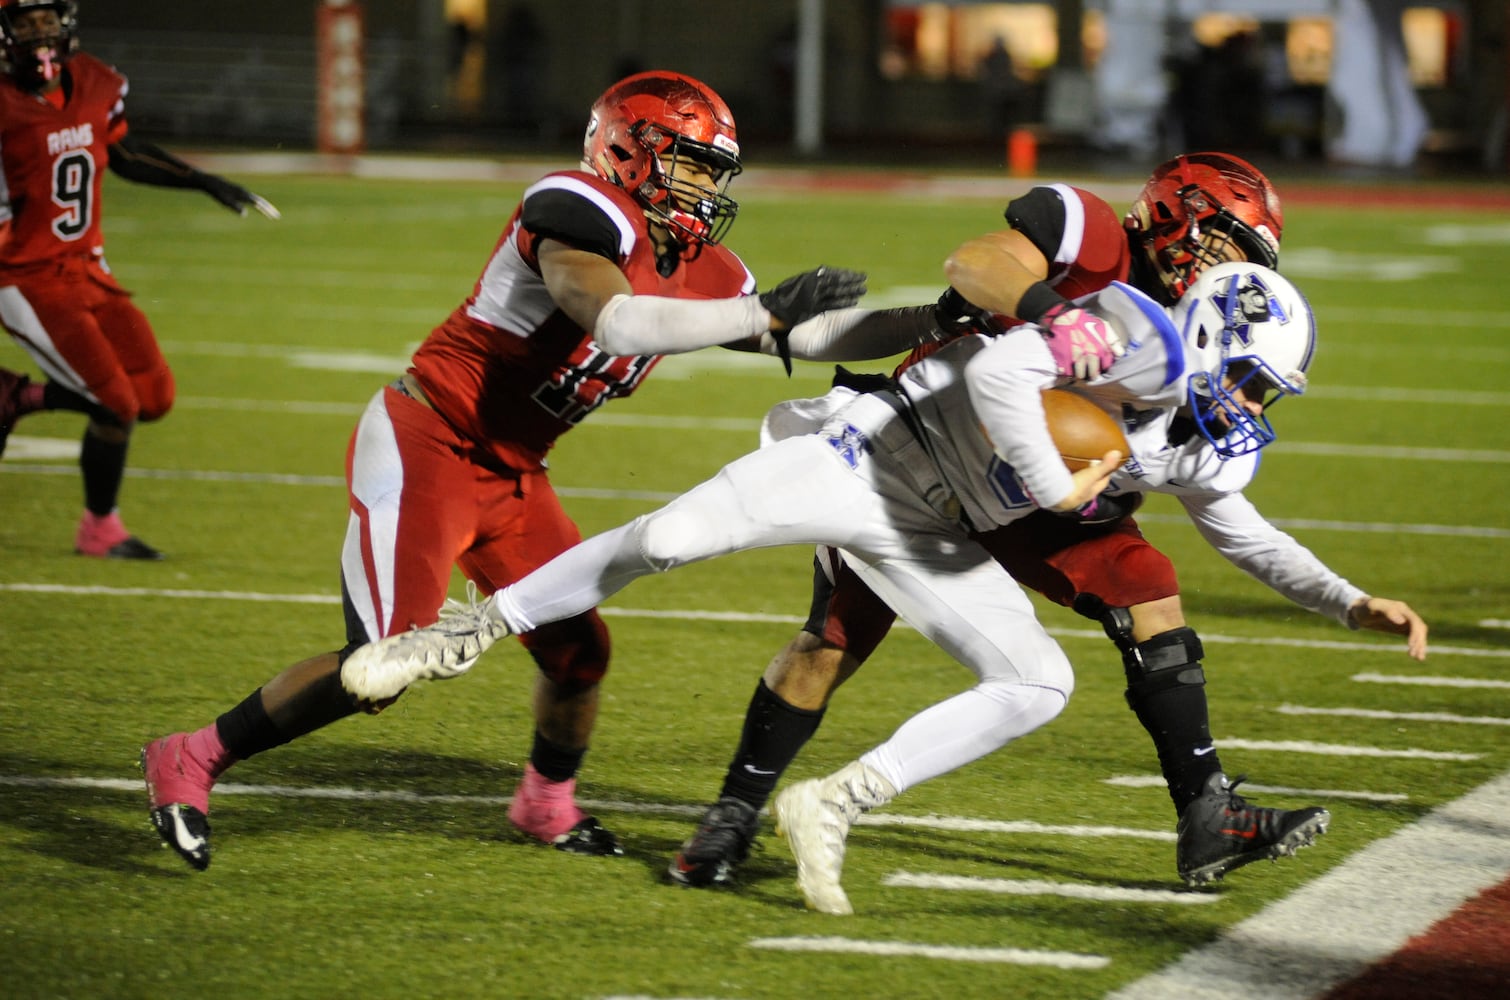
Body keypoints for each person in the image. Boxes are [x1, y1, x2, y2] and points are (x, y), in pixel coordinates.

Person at [338, 262, 1327, 917]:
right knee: (677, 535)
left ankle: (838, 799)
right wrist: (1047, 473)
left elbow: (1241, 530)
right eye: (1247, 381)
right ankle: (459, 635)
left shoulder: (1192, 436)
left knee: (1037, 679)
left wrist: (1346, 600)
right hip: (865, 453)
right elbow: (1001, 376)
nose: (1247, 407)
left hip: (933, 525)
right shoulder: (1133, 331)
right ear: (1204, 335)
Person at [137, 68, 893, 872]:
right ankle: (191, 754)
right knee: (384, 664)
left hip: (514, 473)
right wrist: (759, 312)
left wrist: (947, 320)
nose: (705, 186)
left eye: (713, 169)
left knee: (577, 653)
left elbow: (808, 338)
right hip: (430, 439)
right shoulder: (575, 207)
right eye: (691, 161)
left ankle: (545, 804)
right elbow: (619, 320)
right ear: (629, 151)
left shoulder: (705, 269)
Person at [669, 152, 1423, 894]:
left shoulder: (1202, 357)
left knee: (1147, 582)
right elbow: (973, 263)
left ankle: (1206, 810)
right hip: (940, 449)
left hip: (1049, 492)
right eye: (1225, 242)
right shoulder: (1094, 239)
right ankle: (734, 811)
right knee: (834, 638)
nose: (1225, 268)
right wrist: (1055, 315)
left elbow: (1235, 522)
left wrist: (1345, 601)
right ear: (1177, 216)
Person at [0, 0, 279, 558]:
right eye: (25, 23)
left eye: (47, 19)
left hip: (89, 271)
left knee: (152, 396)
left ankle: (17, 397)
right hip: (25, 277)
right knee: (115, 403)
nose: (41, 33)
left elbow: (122, 153)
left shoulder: (96, 81)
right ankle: (100, 529)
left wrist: (201, 180)